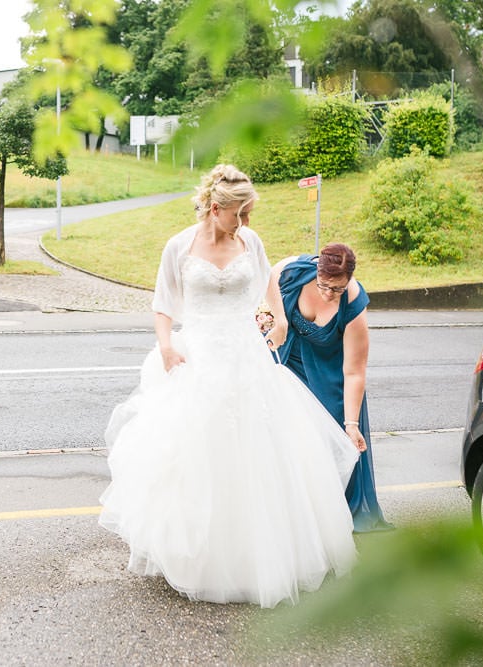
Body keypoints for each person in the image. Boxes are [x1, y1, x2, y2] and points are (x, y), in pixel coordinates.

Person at [98, 165, 362, 609]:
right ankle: (200, 555)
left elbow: (268, 284)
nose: (246, 223)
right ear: (215, 209)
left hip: (247, 357)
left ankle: (260, 555)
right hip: (198, 358)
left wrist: (277, 319)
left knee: (259, 453)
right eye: (240, 214)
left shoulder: (250, 242)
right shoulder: (179, 247)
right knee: (197, 456)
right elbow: (164, 304)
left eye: (249, 213)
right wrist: (165, 346)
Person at [269, 243, 394, 533]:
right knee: (287, 436)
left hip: (330, 375)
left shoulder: (352, 305)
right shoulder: (294, 271)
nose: (328, 294)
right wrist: (276, 318)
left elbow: (354, 372)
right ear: (316, 271)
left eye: (336, 289)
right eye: (324, 285)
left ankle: (332, 512)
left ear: (349, 280)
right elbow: (266, 282)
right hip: (290, 363)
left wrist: (351, 424)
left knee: (332, 438)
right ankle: (292, 508)